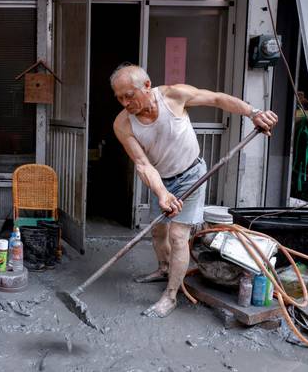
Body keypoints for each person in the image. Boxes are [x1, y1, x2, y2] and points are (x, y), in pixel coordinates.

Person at [110, 63, 278, 318]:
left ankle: (170, 296)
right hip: (161, 179)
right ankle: (164, 268)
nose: (125, 103)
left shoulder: (174, 96)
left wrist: (253, 112)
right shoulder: (123, 124)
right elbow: (143, 164)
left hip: (191, 175)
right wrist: (162, 194)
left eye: (129, 95)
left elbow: (218, 99)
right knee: (158, 231)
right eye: (119, 98)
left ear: (146, 86)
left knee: (178, 235)